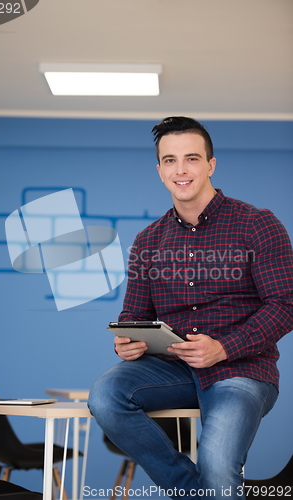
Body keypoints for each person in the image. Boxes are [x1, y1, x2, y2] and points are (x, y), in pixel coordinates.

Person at [88, 117, 293, 499]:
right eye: (170, 160)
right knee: (105, 395)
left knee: (216, 463)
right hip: (171, 370)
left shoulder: (258, 224)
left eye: (192, 158)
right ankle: (198, 493)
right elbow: (133, 316)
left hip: (241, 371)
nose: (180, 170)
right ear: (159, 170)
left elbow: (285, 304)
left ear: (211, 165)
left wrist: (224, 347)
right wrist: (127, 342)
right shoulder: (148, 239)